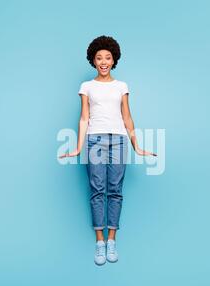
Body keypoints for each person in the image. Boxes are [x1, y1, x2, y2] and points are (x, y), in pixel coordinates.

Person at [59, 35, 156, 265]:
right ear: (93, 60)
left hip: (119, 140)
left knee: (115, 189)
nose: (103, 61)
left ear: (114, 60)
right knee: (96, 189)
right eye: (99, 57)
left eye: (108, 57)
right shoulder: (87, 86)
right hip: (95, 140)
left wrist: (137, 145)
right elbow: (84, 118)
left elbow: (127, 117)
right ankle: (99, 242)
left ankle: (112, 239)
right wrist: (78, 147)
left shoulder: (122, 86)